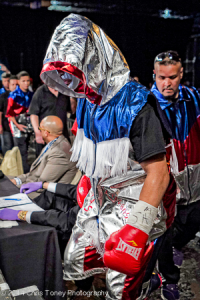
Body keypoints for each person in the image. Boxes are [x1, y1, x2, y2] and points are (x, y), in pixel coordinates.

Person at [38, 14, 176, 300]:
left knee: (121, 286)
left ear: (94, 60)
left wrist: (137, 229)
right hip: (98, 204)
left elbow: (159, 173)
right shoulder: (88, 103)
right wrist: (88, 180)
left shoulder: (135, 104)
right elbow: (95, 157)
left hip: (134, 206)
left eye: (75, 70)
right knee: (75, 262)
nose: (69, 80)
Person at [151, 50, 200, 300]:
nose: (166, 83)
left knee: (192, 221)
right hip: (163, 183)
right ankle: (167, 277)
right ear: (155, 75)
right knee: (162, 232)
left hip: (194, 181)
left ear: (181, 74)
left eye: (172, 77)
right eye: (161, 77)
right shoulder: (147, 104)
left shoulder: (194, 97)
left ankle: (174, 248)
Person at [9, 115, 77, 199]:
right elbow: (34, 173)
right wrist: (17, 180)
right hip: (34, 186)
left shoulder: (59, 152)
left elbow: (41, 184)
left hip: (43, 197)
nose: (38, 131)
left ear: (46, 132)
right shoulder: (54, 143)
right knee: (6, 181)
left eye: (40, 129)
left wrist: (15, 186)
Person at [29, 84, 70, 156]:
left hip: (62, 135)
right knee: (44, 160)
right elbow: (33, 114)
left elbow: (70, 110)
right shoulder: (40, 92)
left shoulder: (64, 91)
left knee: (63, 159)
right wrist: (37, 132)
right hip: (46, 136)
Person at [6, 71, 33, 173]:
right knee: (22, 151)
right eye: (23, 81)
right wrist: (18, 125)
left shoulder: (31, 94)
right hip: (17, 125)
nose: (26, 83)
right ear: (18, 82)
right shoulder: (13, 95)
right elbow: (9, 114)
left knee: (29, 149)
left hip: (29, 124)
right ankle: (24, 173)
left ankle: (29, 171)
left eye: (27, 81)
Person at [0, 75, 18, 155]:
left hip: (18, 127)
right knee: (7, 146)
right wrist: (0, 126)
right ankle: (6, 165)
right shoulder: (3, 96)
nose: (14, 87)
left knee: (17, 147)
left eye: (16, 85)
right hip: (6, 126)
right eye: (12, 84)